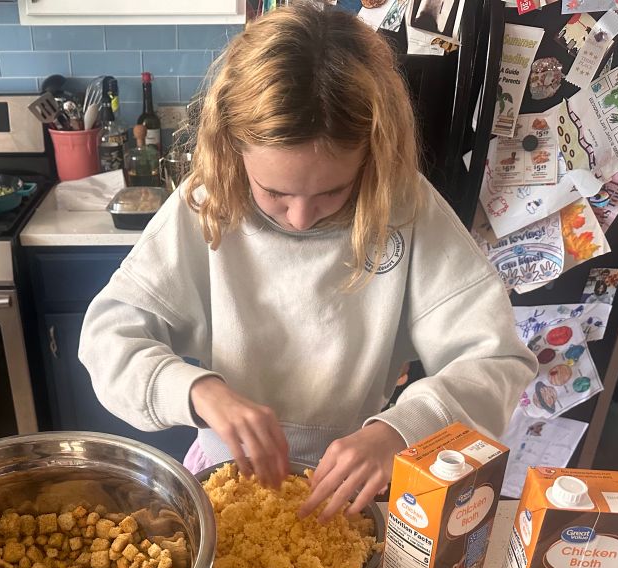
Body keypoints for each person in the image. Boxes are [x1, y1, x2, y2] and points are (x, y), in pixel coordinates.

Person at [79, 4, 536, 523]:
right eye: (273, 193)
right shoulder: (208, 203)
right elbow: (106, 339)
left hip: (353, 481)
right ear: (233, 148)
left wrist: (399, 429)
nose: (299, 218)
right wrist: (195, 389)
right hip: (223, 477)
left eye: (332, 192)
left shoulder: (404, 208)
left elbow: (499, 362)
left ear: (373, 154)